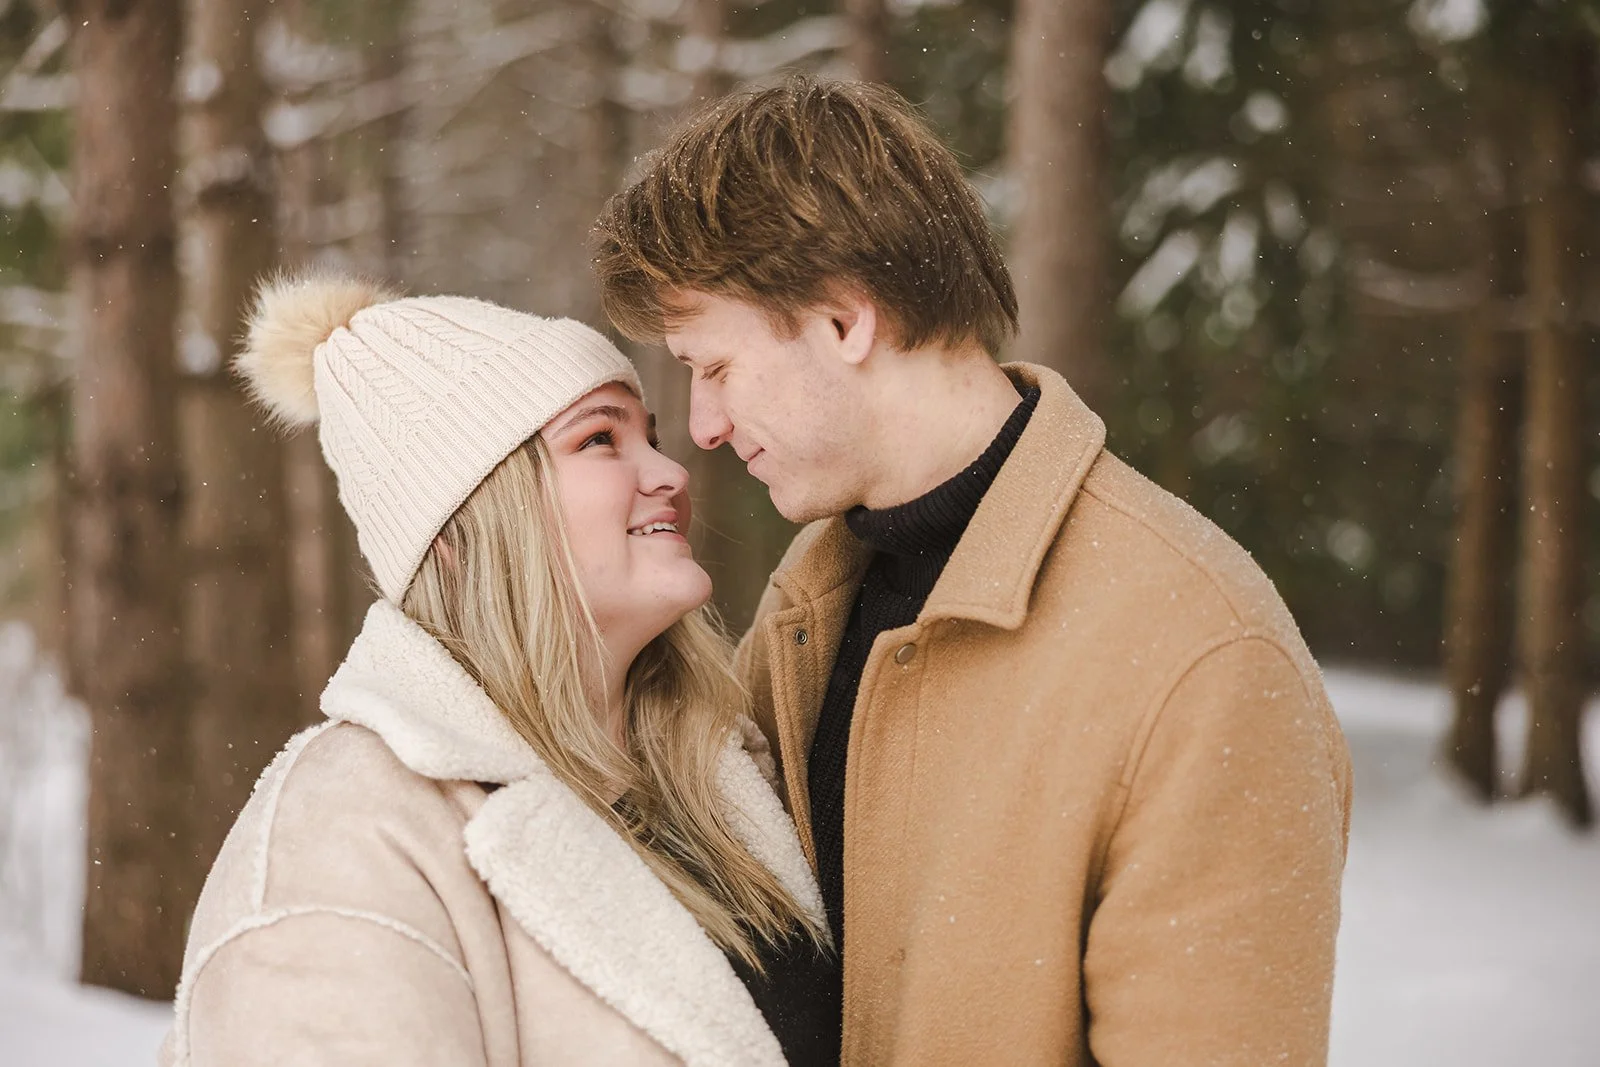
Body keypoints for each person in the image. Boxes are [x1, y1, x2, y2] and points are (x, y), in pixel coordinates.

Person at [592, 76, 1354, 1066]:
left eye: (714, 366)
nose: (702, 425)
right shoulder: (812, 597)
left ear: (840, 319)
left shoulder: (1203, 659)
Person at [160, 273, 837, 1067]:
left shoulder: (723, 778)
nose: (671, 473)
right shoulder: (339, 841)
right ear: (462, 529)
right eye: (599, 440)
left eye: (647, 436)